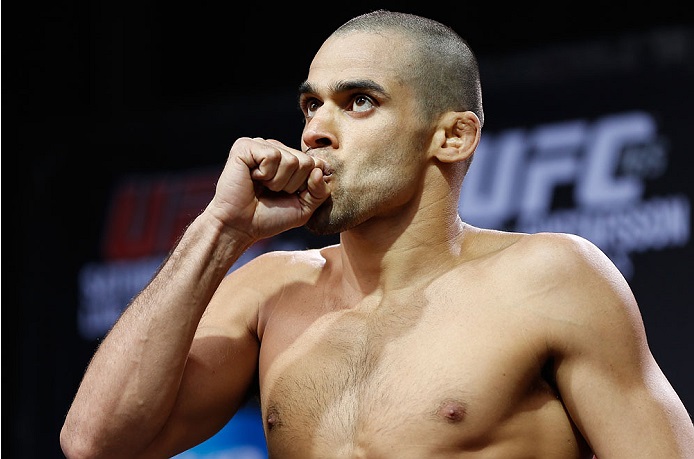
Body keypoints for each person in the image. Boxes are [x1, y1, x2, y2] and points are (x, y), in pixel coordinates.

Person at [60, 9, 694, 459]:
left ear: (453, 136)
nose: (315, 130)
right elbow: (95, 443)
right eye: (312, 104)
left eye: (359, 101)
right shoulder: (270, 293)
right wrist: (221, 229)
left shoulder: (549, 278)